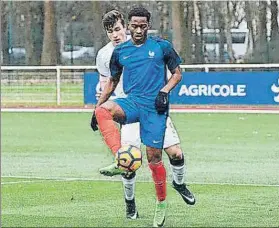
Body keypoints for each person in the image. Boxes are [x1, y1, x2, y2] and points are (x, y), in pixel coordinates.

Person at [91, 8, 195, 227]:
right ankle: (128, 196)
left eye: (142, 26)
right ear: (129, 25)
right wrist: (98, 107)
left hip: (154, 107)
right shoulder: (112, 54)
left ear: (147, 25)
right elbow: (110, 81)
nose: (137, 30)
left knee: (164, 156)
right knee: (127, 160)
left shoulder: (160, 47)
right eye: (134, 26)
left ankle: (168, 195)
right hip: (130, 104)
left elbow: (177, 74)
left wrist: (164, 92)